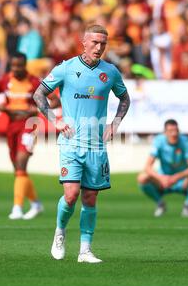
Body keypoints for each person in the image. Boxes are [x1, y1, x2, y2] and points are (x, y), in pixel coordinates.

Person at [33, 24, 131, 263]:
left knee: (90, 198)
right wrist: (55, 120)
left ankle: (85, 251)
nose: (99, 48)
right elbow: (38, 94)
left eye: (103, 44)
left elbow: (124, 98)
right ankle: (59, 232)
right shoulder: (66, 68)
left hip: (97, 146)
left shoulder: (111, 72)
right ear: (83, 42)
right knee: (71, 195)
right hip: (71, 144)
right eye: (95, 42)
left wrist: (115, 123)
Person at [0, 52, 60, 220]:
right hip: (11, 125)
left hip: (30, 124)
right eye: (13, 66)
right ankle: (36, 204)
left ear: (25, 65)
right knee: (18, 170)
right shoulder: (5, 80)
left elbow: (55, 101)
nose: (16, 69)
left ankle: (17, 208)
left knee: (20, 163)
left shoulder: (35, 82)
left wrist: (38, 108)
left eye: (19, 66)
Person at [137, 119, 188, 218]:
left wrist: (176, 177)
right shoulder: (159, 141)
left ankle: (187, 205)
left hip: (182, 180)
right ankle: (160, 204)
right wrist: (161, 178)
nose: (174, 134)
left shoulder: (185, 141)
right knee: (142, 177)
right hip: (163, 181)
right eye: (171, 131)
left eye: (176, 130)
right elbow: (147, 167)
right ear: (165, 132)